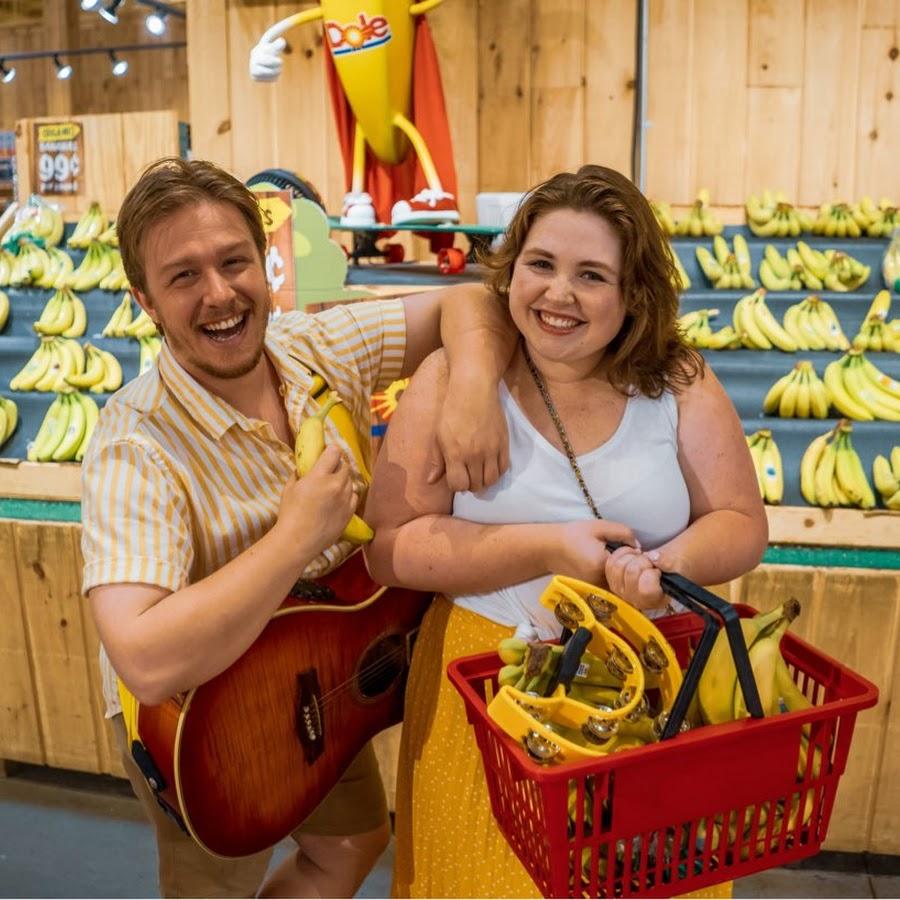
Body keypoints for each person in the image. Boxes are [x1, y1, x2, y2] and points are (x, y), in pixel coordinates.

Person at [80, 156, 516, 899]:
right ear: (145, 300)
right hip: (201, 729)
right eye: (183, 277)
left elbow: (467, 305)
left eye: (233, 261)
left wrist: (472, 386)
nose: (219, 294)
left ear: (264, 263)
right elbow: (145, 659)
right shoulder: (134, 446)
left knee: (351, 841)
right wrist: (295, 536)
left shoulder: (312, 348)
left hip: (322, 673)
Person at [364, 164, 769, 898]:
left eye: (591, 275)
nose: (558, 294)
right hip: (486, 692)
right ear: (511, 268)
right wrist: (552, 548)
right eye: (541, 264)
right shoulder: (453, 382)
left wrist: (659, 565)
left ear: (632, 295)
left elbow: (742, 524)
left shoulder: (677, 383)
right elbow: (391, 547)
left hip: (646, 687)